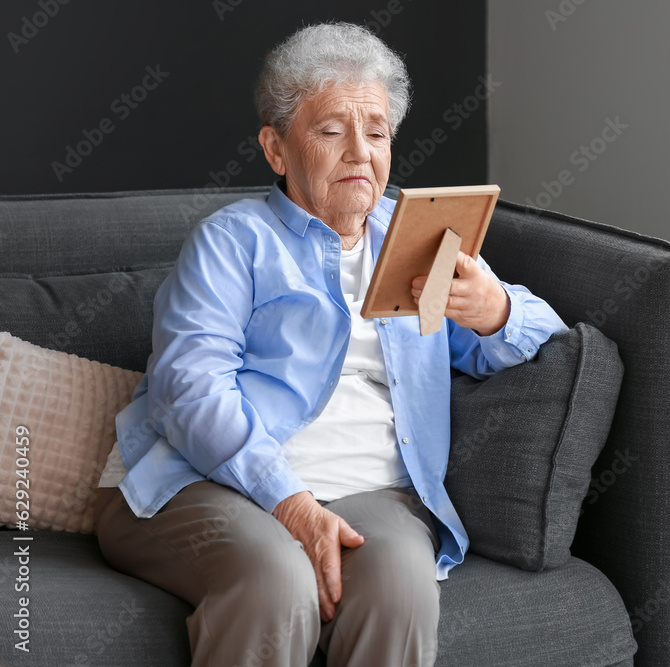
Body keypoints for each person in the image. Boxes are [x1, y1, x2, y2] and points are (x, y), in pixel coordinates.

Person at [92, 21, 567, 667]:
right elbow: (188, 389)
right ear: (277, 148)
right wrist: (290, 503)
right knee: (275, 582)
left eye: (376, 132)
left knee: (402, 587)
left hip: (373, 490)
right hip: (207, 481)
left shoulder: (417, 235)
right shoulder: (232, 241)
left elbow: (542, 334)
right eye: (330, 131)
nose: (359, 153)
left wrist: (495, 309)